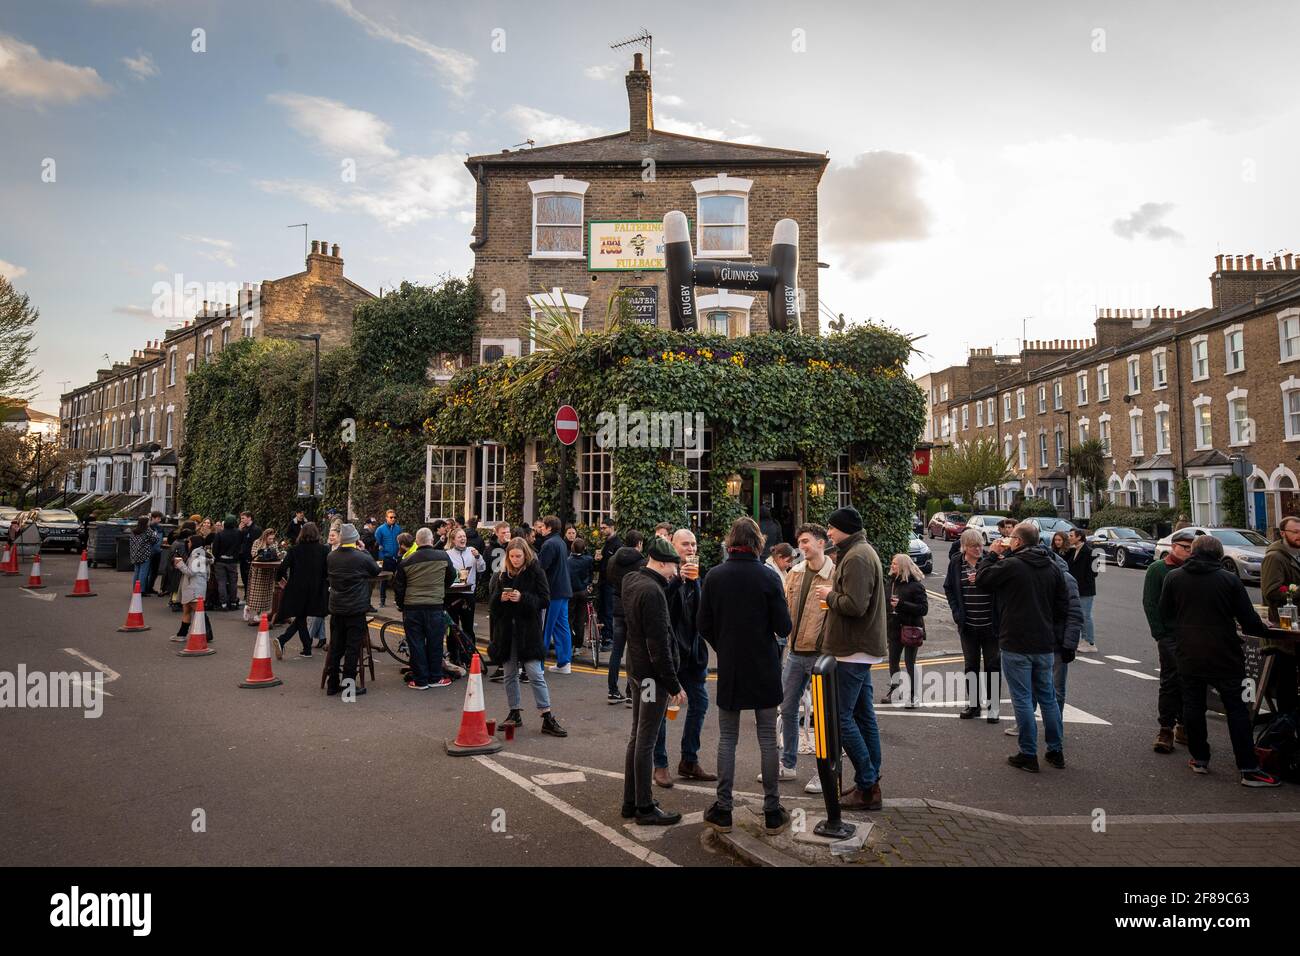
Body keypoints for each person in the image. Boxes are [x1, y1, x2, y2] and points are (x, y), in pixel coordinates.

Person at [698, 517, 792, 834]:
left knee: (728, 739)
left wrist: (723, 646)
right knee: (768, 739)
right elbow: (784, 627)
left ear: (730, 541)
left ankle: (723, 809)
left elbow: (703, 624)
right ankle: (772, 812)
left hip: (732, 667)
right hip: (764, 666)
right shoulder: (768, 578)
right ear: (757, 544)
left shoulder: (714, 576)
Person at [1159, 534, 1278, 786]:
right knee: (1236, 709)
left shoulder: (1174, 578)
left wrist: (1181, 633)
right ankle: (1247, 766)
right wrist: (1269, 629)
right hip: (1224, 654)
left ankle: (1200, 758)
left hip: (1188, 653)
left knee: (1193, 706)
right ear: (1218, 554)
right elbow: (1248, 621)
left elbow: (1165, 614)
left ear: (1194, 552)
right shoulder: (1229, 580)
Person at [976, 521, 1069, 772]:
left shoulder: (1012, 565)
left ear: (1017, 541)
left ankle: (1028, 753)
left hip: (1016, 641)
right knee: (1048, 697)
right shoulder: (1052, 567)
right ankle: (1055, 751)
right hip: (1044, 642)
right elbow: (1063, 606)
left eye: (1011, 538)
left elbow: (983, 580)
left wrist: (992, 554)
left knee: (1023, 699)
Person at [814, 507, 888, 810]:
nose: (828, 533)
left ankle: (868, 782)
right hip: (858, 648)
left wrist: (828, 595)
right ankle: (869, 785)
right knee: (862, 715)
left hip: (852, 649)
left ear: (844, 528)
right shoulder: (859, 551)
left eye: (831, 528)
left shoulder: (857, 556)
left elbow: (855, 605)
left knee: (839, 718)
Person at [621, 535, 686, 825]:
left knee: (637, 736)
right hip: (651, 678)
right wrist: (673, 685)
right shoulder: (653, 593)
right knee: (646, 739)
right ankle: (645, 808)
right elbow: (658, 645)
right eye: (673, 566)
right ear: (660, 563)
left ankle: (631, 801)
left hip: (636, 670)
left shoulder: (632, 581)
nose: (676, 571)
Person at [770, 523, 834, 791]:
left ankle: (824, 773)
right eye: (800, 541)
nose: (801, 546)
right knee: (786, 708)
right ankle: (788, 764)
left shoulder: (836, 575)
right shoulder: (794, 574)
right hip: (795, 653)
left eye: (806, 541)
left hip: (822, 655)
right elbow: (783, 608)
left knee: (823, 715)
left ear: (821, 543)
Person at [652, 528, 715, 788]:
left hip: (693, 654)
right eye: (685, 544)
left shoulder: (697, 575)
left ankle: (689, 760)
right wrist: (679, 580)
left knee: (700, 703)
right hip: (670, 654)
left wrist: (696, 583)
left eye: (694, 544)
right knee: (661, 710)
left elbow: (701, 615)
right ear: (673, 547)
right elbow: (661, 606)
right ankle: (661, 764)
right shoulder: (665, 576)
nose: (690, 548)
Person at [489, 537, 567, 736]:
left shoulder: (536, 571)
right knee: (509, 674)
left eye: (518, 556)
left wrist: (522, 598)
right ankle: (514, 712)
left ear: (526, 555)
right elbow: (494, 606)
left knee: (535, 673)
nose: (515, 560)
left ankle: (547, 716)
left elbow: (545, 600)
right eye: (512, 556)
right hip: (506, 632)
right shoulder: (502, 575)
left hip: (528, 632)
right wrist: (502, 598)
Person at [1143, 528, 1194, 753]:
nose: (1189, 552)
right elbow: (1150, 603)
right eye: (1185, 548)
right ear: (1173, 547)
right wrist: (1160, 634)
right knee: (1170, 680)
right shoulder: (1158, 569)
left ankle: (1184, 726)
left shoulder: (1193, 570)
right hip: (1169, 635)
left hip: (1192, 635)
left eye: (1192, 548)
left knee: (1190, 681)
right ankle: (1166, 729)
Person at [944, 528, 1001, 722]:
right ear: (964, 547)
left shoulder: (990, 562)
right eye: (973, 546)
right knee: (971, 666)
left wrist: (981, 580)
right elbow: (949, 588)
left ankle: (993, 708)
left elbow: (1001, 586)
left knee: (993, 666)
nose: (978, 549)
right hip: (968, 625)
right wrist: (957, 614)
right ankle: (974, 705)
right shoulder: (956, 564)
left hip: (990, 625)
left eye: (980, 545)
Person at [393, 527, 455, 689]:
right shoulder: (443, 556)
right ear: (431, 540)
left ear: (416, 542)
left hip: (412, 608)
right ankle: (436, 678)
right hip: (435, 606)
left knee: (416, 643)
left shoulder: (406, 562)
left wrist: (401, 605)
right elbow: (452, 576)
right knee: (435, 642)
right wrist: (441, 588)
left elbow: (399, 587)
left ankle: (420, 680)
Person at [325, 524, 380, 697]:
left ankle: (332, 684)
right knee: (352, 649)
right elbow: (375, 570)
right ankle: (348, 687)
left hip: (336, 607)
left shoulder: (331, 556)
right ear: (356, 539)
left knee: (336, 647)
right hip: (355, 609)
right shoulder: (361, 557)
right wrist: (364, 551)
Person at [1259, 515, 1300, 715]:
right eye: (1295, 532)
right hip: (1283, 630)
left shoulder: (1295, 554)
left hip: (1296, 627)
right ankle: (1285, 725)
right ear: (1283, 533)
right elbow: (1271, 590)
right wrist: (1296, 591)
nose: (1299, 535)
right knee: (1287, 681)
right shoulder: (1275, 557)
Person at [276, 522, 329, 657]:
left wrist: (281, 581)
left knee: (301, 617)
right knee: (302, 617)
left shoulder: (294, 550)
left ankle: (284, 640)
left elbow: (282, 568)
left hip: (297, 588)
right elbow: (328, 570)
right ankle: (305, 649)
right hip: (316, 589)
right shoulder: (324, 550)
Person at [883, 553, 929, 708]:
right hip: (894, 628)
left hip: (911, 629)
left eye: (895, 563)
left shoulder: (916, 585)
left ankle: (913, 696)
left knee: (910, 663)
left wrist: (902, 604)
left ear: (903, 566)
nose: (892, 565)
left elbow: (923, 609)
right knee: (893, 662)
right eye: (892, 562)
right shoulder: (890, 583)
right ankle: (896, 691)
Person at [605, 530, 645, 704]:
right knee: (634, 651)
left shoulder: (613, 560)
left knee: (617, 651)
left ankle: (612, 691)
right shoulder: (642, 562)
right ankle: (631, 692)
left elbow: (609, 579)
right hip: (633, 609)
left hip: (617, 607)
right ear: (639, 543)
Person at [536, 515, 575, 673]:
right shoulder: (560, 542)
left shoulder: (549, 544)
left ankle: (539, 666)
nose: (540, 529)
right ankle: (564, 662)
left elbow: (540, 567)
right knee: (561, 626)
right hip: (563, 589)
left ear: (549, 527)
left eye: (543, 526)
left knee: (545, 628)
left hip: (552, 591)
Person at [446, 527, 486, 644]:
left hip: (468, 594)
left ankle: (469, 655)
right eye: (460, 537)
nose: (463, 539)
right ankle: (453, 654)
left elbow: (482, 568)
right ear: (453, 540)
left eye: (464, 536)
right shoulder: (447, 554)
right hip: (452, 594)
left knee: (468, 627)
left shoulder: (472, 550)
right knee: (453, 627)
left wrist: (478, 557)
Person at [173, 534, 214, 645]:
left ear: (194, 543)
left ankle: (207, 634)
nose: (188, 544)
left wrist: (179, 564)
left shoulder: (197, 554)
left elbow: (192, 572)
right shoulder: (199, 553)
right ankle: (181, 634)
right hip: (193, 587)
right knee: (187, 610)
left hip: (194, 587)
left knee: (198, 612)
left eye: (189, 542)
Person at [1064, 528, 1098, 651]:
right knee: (1078, 615)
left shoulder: (1091, 551)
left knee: (1085, 615)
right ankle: (1083, 640)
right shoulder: (1073, 551)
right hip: (1076, 589)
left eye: (1071, 535)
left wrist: (1082, 583)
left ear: (1079, 537)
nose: (1069, 538)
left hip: (1085, 589)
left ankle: (1089, 642)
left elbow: (1094, 572)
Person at [243, 529, 281, 631]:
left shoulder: (274, 544)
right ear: (265, 537)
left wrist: (278, 554)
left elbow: (277, 555)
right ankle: (248, 608)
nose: (271, 540)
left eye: (273, 538)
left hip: (268, 572)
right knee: (256, 595)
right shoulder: (257, 542)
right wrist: (263, 550)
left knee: (265, 595)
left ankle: (258, 615)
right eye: (269, 539)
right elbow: (253, 555)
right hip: (258, 572)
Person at [596, 517, 623, 647]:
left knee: (608, 610)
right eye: (601, 528)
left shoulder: (617, 544)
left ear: (612, 527)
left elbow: (616, 564)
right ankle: (605, 636)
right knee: (602, 610)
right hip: (603, 582)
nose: (601, 530)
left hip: (610, 583)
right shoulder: (607, 542)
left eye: (604, 528)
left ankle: (609, 638)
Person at [567, 537, 594, 651]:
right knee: (580, 619)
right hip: (583, 591)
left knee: (569, 619)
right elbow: (591, 572)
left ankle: (571, 643)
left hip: (571, 592)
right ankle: (578, 645)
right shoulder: (588, 559)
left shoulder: (567, 560)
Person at [212, 515, 242, 611]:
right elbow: (240, 546)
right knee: (233, 582)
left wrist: (216, 557)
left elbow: (215, 549)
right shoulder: (238, 534)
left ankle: (223, 604)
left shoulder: (219, 534)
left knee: (222, 582)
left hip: (220, 561)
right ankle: (233, 602)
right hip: (233, 561)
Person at [373, 510, 402, 608]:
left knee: (397, 579)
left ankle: (397, 600)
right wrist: (383, 551)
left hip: (396, 558)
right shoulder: (380, 529)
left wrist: (400, 552)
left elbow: (400, 542)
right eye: (391, 517)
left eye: (394, 517)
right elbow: (378, 543)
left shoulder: (398, 529)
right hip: (384, 558)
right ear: (386, 518)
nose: (393, 519)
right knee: (383, 579)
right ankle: (382, 600)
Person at [127, 516, 156, 596]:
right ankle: (141, 590)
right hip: (144, 554)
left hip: (135, 554)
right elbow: (155, 539)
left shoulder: (134, 531)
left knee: (136, 571)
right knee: (143, 572)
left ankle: (135, 589)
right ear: (146, 522)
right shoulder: (147, 530)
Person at [238, 511, 261, 598]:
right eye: (241, 518)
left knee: (250, 576)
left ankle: (251, 594)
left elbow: (257, 544)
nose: (241, 520)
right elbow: (239, 541)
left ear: (249, 518)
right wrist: (239, 530)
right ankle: (247, 594)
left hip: (250, 557)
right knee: (244, 576)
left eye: (243, 518)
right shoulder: (243, 529)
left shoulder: (256, 529)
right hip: (242, 557)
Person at [144, 511, 165, 595]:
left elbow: (163, 538)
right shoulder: (148, 528)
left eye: (160, 518)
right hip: (149, 552)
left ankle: (150, 587)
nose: (159, 520)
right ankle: (145, 588)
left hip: (158, 551)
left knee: (155, 571)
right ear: (152, 517)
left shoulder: (160, 528)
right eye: (158, 518)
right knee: (147, 571)